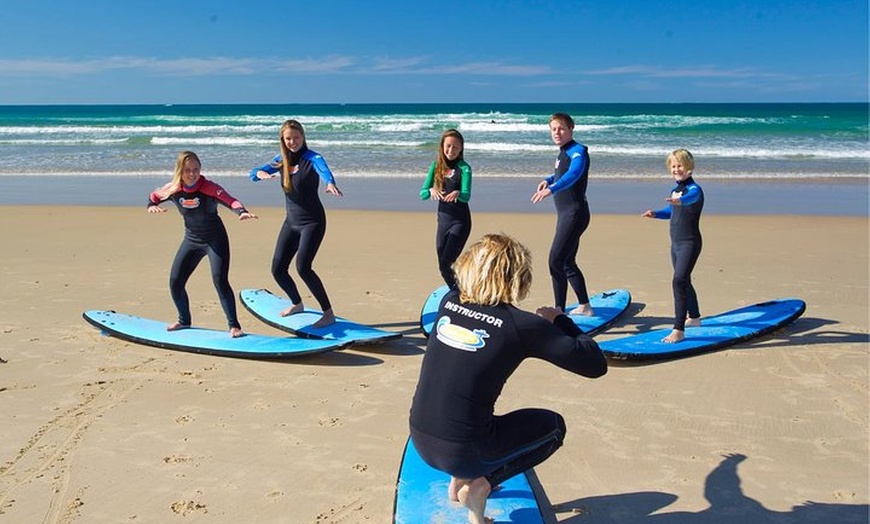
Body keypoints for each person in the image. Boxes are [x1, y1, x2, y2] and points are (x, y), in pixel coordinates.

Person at [409, 233, 607, 524]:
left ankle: (458, 479)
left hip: (420, 438)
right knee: (553, 427)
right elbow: (594, 363)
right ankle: (479, 483)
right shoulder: (522, 326)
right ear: (517, 277)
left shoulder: (448, 303)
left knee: (464, 407)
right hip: (464, 450)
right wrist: (558, 320)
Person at [147, 150, 258, 338]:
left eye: (196, 169)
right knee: (175, 282)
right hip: (191, 240)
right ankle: (184, 321)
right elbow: (154, 196)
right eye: (187, 170)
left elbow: (231, 200)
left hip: (215, 239)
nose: (192, 173)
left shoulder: (210, 188)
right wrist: (151, 206)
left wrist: (241, 212)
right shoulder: (173, 189)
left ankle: (234, 326)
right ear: (180, 171)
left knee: (219, 280)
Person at [249, 119, 343, 328]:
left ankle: (328, 313)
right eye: (288, 138)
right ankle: (297, 303)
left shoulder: (313, 158)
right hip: (291, 222)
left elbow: (324, 171)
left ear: (303, 137)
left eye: (297, 137)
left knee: (303, 267)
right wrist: (259, 173)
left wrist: (330, 183)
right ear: (283, 139)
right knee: (278, 269)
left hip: (313, 222)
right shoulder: (279, 160)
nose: (293, 142)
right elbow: (253, 173)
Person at [531, 112, 594, 317]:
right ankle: (584, 305)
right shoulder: (563, 152)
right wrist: (548, 180)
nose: (557, 132)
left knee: (555, 261)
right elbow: (561, 172)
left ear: (570, 129)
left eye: (561, 128)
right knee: (567, 261)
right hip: (568, 214)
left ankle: (559, 311)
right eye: (553, 129)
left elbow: (574, 173)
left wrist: (553, 188)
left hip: (574, 214)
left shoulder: (578, 151)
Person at [642, 148, 705, 343]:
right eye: (673, 166)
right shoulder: (674, 190)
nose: (676, 169)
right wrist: (656, 213)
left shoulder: (694, 190)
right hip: (675, 244)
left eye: (680, 165)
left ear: (689, 167)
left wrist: (680, 201)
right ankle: (694, 318)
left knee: (678, 280)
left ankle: (678, 329)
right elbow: (671, 210)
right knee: (683, 280)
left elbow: (689, 199)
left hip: (690, 242)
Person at [419, 129, 472, 289]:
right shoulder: (436, 166)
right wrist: (430, 190)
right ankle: (464, 289)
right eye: (448, 146)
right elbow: (422, 194)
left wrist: (458, 193)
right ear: (442, 147)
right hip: (443, 221)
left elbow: (466, 195)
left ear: (461, 148)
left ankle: (460, 295)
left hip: (460, 222)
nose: (451, 150)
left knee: (445, 265)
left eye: (455, 147)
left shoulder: (465, 168)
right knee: (445, 266)